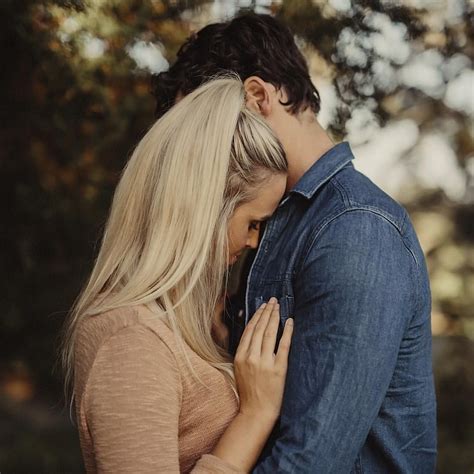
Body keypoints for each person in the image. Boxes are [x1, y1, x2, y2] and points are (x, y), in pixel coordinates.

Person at [152, 12, 437, 473]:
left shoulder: (354, 231)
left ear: (259, 95)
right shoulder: (273, 222)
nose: (199, 152)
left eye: (208, 128)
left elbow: (310, 463)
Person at [59, 76, 295, 473]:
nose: (254, 242)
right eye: (254, 223)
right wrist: (255, 415)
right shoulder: (130, 338)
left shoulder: (176, 324)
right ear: (207, 211)